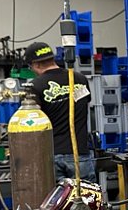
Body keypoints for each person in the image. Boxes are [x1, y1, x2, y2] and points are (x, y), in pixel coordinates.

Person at [26, 43, 96, 182]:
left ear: (36, 64)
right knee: (86, 193)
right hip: (79, 153)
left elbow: (32, 121)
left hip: (52, 154)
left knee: (56, 195)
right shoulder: (80, 79)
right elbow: (85, 104)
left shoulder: (34, 86)